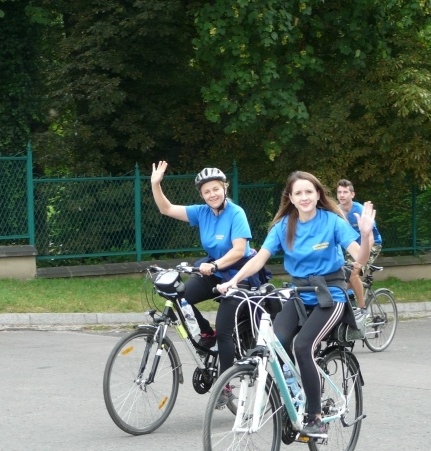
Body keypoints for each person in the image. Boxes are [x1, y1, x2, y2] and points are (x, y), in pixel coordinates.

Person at [217, 171, 376, 438]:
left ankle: (315, 416)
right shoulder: (283, 227)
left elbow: (358, 257)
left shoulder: (333, 222)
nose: (304, 197)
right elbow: (259, 259)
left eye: (309, 192)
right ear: (290, 198)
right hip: (300, 293)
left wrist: (366, 236)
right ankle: (294, 397)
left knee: (303, 346)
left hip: (331, 294)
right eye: (298, 193)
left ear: (317, 195)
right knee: (275, 343)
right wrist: (233, 281)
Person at [150, 161, 261, 403]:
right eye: (206, 191)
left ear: (224, 188)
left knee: (225, 330)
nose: (212, 194)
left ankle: (225, 386)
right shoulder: (201, 212)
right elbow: (166, 208)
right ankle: (205, 332)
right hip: (214, 269)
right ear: (201, 194)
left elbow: (240, 250)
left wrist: (215, 265)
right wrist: (155, 184)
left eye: (215, 189)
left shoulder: (236, 213)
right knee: (179, 296)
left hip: (240, 274)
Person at [336, 179, 382, 308]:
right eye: (339, 192)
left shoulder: (360, 210)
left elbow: (370, 237)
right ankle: (351, 302)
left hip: (370, 244)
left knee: (352, 274)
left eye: (345, 192)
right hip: (350, 247)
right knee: (340, 278)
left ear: (352, 194)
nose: (341, 195)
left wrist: (360, 258)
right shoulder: (336, 211)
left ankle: (362, 309)